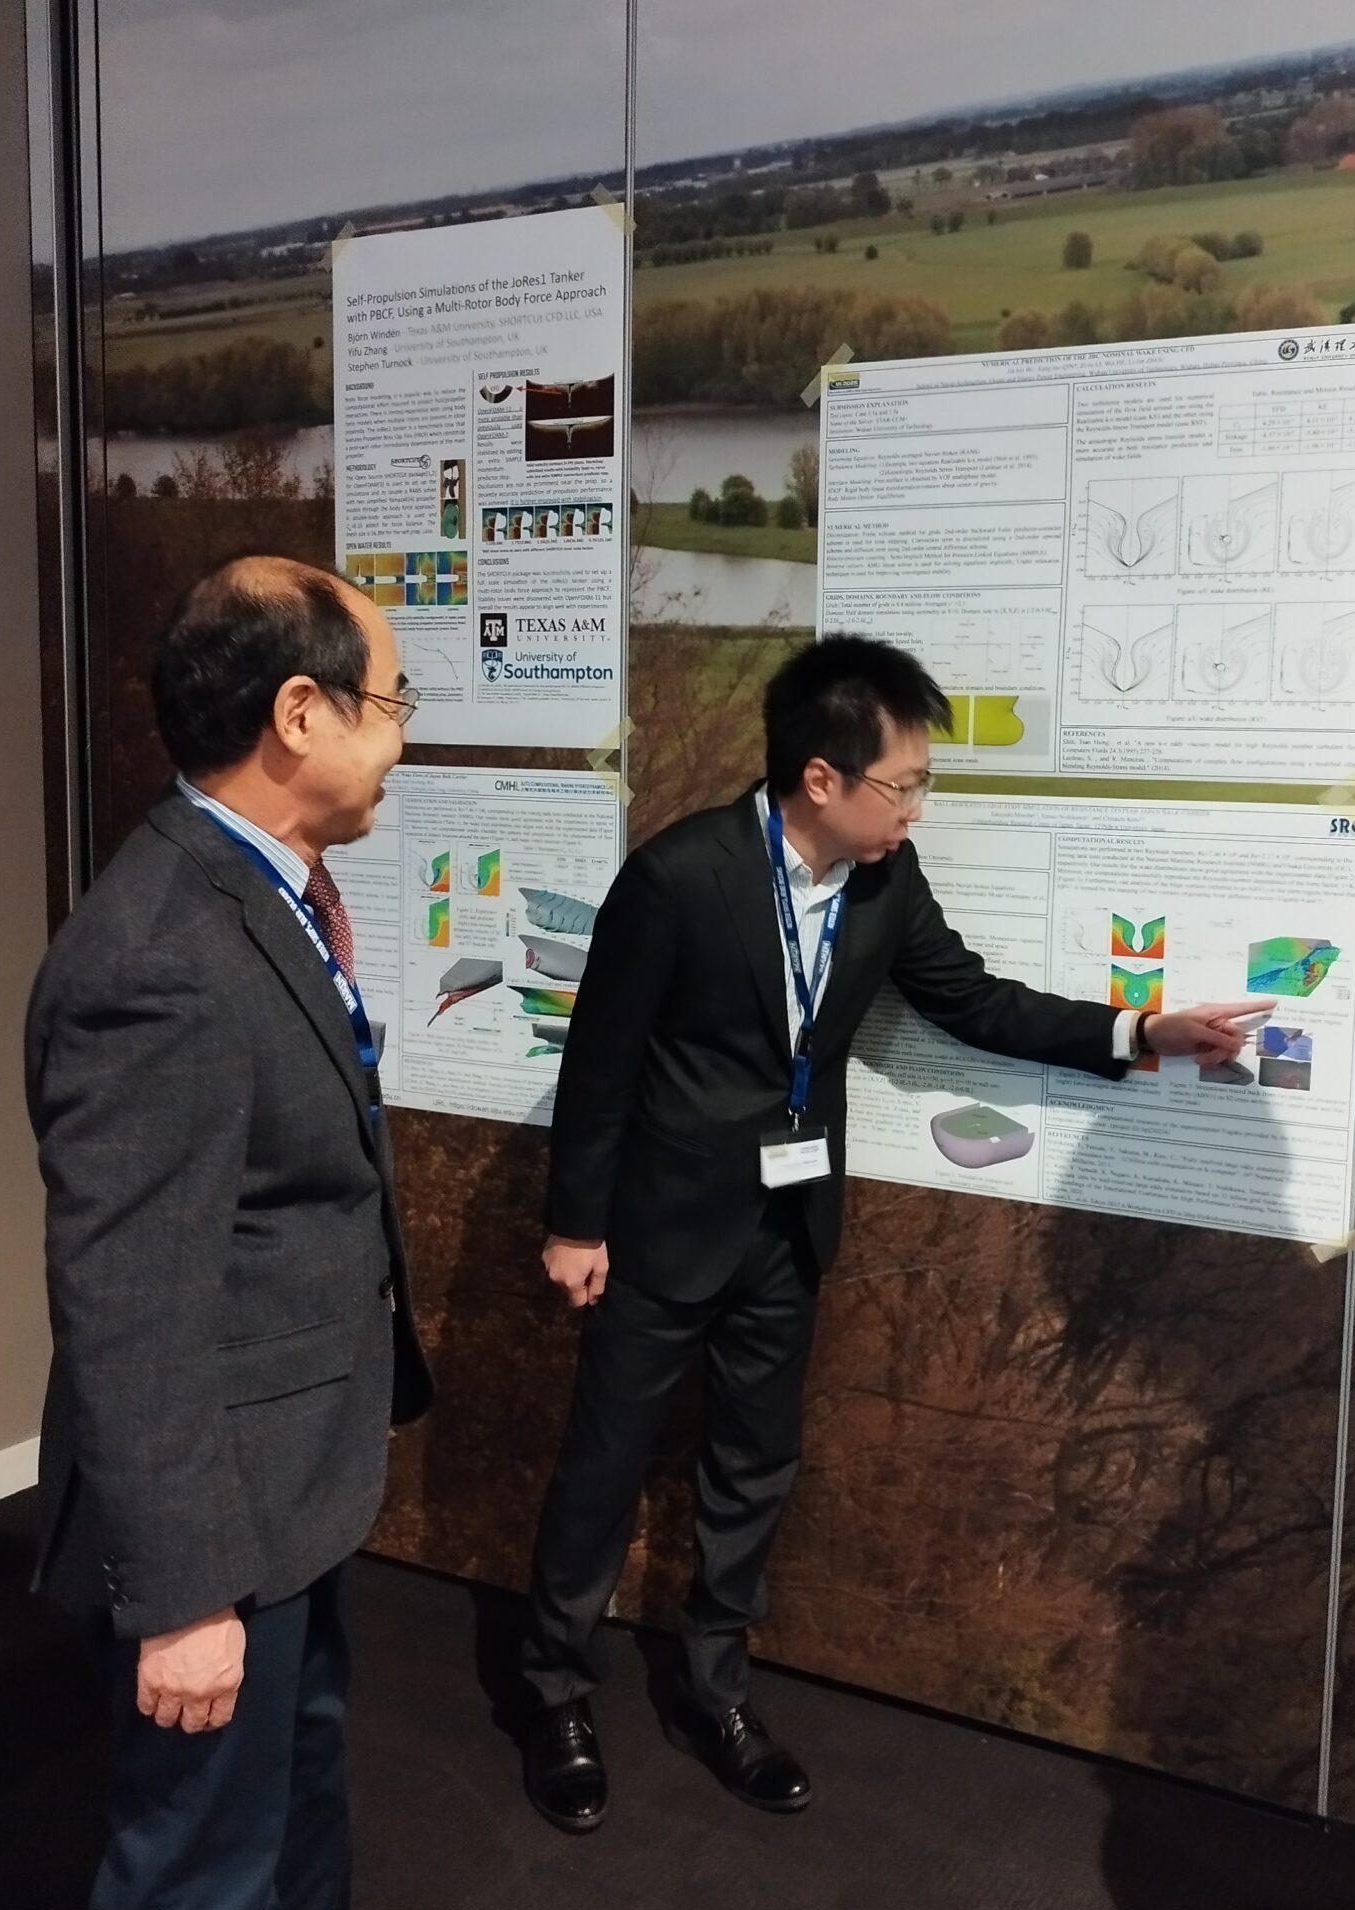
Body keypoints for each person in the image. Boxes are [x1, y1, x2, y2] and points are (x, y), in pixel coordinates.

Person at [518, 635, 1271, 1832]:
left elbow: (971, 1000)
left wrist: (1140, 1032)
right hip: (659, 1230)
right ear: (821, 778)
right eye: (905, 784)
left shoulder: (884, 882)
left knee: (754, 1468)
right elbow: (601, 1062)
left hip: (788, 1227)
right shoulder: (679, 875)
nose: (917, 809)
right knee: (605, 1464)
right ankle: (554, 1690)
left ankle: (715, 1691)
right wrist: (575, 1224)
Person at [26, 555, 435, 1910]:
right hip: (222, 1514)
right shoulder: (160, 955)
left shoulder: (257, 897)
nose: (403, 738)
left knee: (292, 1810)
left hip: (289, 1482)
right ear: (301, 713)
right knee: (200, 1870)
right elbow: (130, 1303)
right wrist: (187, 1597)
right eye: (392, 703)